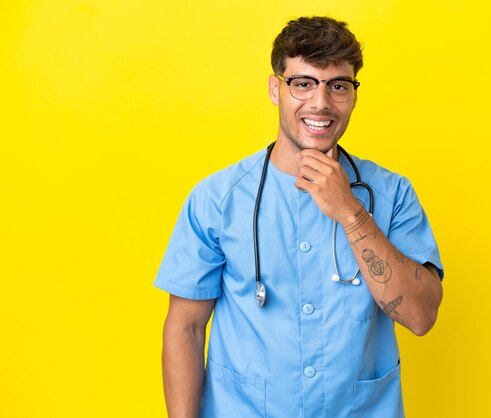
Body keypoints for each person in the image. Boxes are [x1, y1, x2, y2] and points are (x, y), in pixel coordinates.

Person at [154, 16, 444, 418]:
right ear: (276, 89)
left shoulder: (392, 194)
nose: (321, 103)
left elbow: (421, 316)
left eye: (338, 85)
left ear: (354, 95)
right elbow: (184, 327)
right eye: (303, 83)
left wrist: (350, 211)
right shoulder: (217, 199)